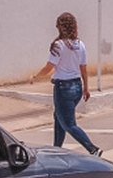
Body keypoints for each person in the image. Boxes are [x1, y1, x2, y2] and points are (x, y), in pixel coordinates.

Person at [32, 13, 102, 156]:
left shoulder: (58, 45)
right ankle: (56, 149)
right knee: (58, 117)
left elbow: (49, 66)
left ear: (60, 27)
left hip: (63, 88)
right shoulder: (80, 45)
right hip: (77, 87)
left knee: (68, 124)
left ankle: (93, 149)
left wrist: (36, 77)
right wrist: (86, 88)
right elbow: (83, 68)